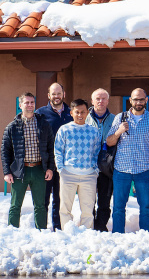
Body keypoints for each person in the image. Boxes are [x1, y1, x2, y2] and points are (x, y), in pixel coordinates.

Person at [106, 88, 149, 234]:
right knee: (118, 208)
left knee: (146, 208)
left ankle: (145, 239)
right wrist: (119, 131)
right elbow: (109, 142)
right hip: (121, 170)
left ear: (146, 100)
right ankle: (118, 237)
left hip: (144, 171)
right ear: (130, 101)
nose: (138, 102)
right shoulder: (120, 118)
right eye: (135, 99)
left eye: (141, 99)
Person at [3, 92, 55, 229]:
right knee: (15, 205)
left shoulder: (43, 124)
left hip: (39, 169)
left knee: (40, 205)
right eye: (26, 102)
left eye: (32, 102)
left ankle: (42, 232)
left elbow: (51, 147)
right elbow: (5, 151)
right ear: (20, 105)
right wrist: (7, 172)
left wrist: (50, 168)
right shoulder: (12, 127)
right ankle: (13, 233)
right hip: (19, 171)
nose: (30, 105)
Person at [54, 99, 102, 229]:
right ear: (71, 113)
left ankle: (86, 236)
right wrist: (61, 169)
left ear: (87, 113)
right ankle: (67, 233)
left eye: (83, 112)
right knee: (65, 208)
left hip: (89, 175)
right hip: (68, 174)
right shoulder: (64, 129)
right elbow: (58, 150)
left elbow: (97, 152)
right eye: (77, 112)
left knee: (88, 210)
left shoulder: (94, 131)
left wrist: (95, 170)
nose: (80, 115)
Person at [37, 82, 71, 230]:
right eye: (54, 93)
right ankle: (42, 228)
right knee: (43, 198)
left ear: (64, 94)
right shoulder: (40, 114)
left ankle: (57, 228)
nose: (56, 96)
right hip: (46, 164)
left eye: (59, 93)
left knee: (60, 198)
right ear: (49, 95)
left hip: (65, 163)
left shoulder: (71, 113)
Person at [86, 88, 114, 231]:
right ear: (92, 101)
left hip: (106, 168)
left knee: (104, 201)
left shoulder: (115, 119)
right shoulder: (85, 118)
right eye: (97, 98)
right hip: (89, 166)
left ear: (108, 101)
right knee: (89, 201)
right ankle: (90, 227)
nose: (100, 101)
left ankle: (101, 227)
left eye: (103, 99)